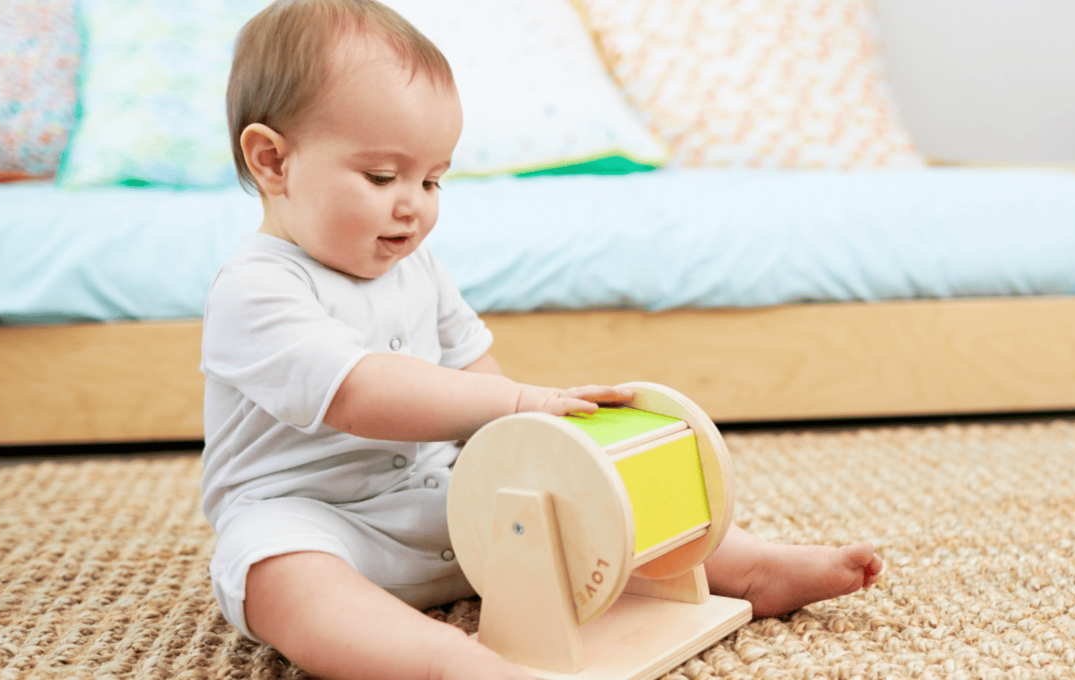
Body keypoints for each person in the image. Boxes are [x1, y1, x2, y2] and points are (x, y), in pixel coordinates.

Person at [201, 2, 884, 678]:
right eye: (382, 176)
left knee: (585, 495)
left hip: (437, 501)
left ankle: (750, 565)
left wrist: (541, 449)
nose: (414, 203)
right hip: (313, 521)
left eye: (433, 178)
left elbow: (475, 372)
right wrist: (516, 403)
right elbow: (359, 394)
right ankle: (446, 663)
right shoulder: (255, 290)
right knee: (282, 579)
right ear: (272, 161)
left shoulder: (418, 268)